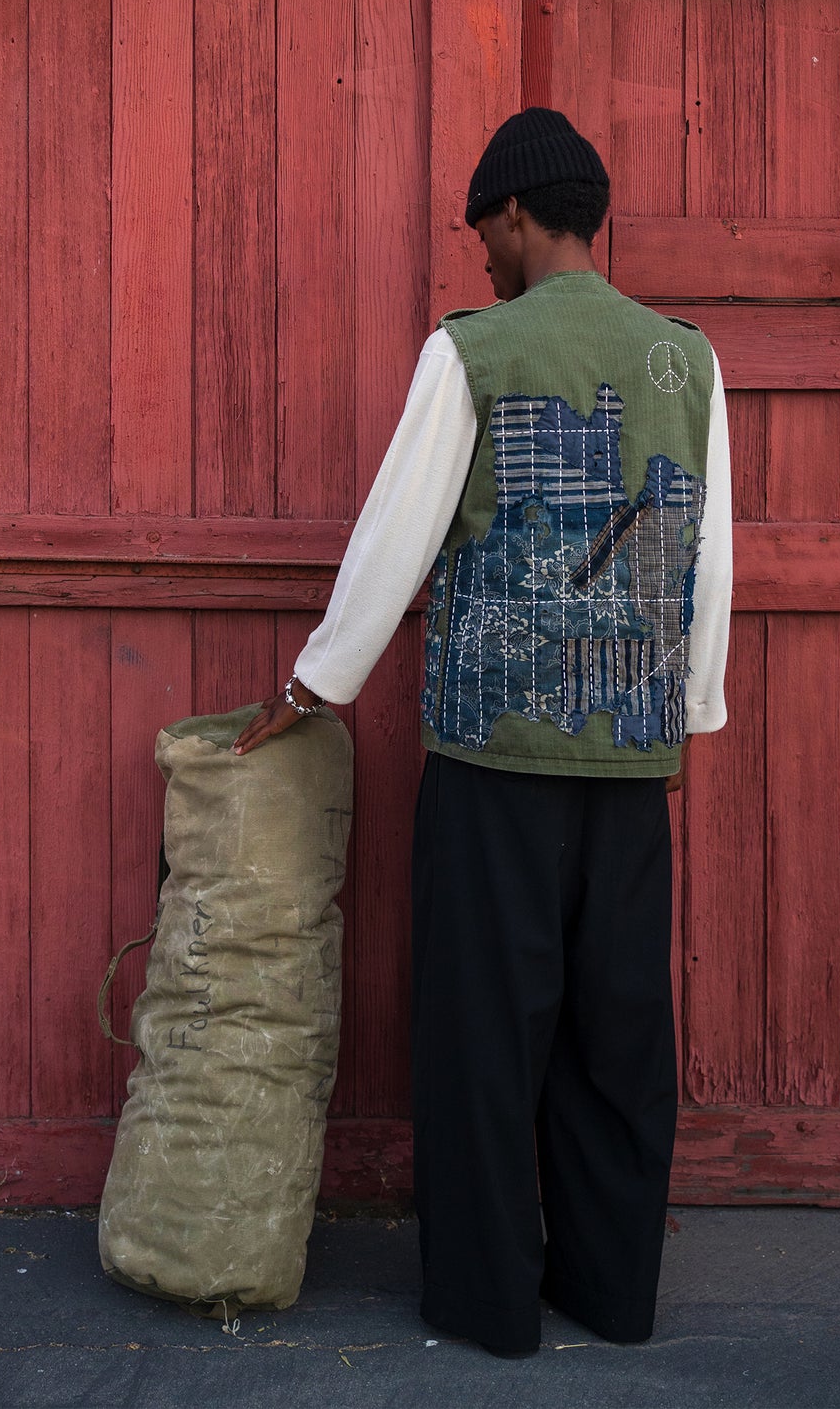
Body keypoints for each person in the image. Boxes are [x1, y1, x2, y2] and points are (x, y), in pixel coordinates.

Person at [232, 106, 732, 1358]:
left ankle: (488, 1304)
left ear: (514, 216)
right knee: (616, 1035)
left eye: (481, 237)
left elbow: (395, 534)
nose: (480, 263)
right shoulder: (686, 358)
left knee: (481, 1031)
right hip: (628, 752)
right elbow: (706, 558)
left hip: (493, 754)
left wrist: (312, 686)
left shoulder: (474, 351)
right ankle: (611, 1295)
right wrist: (691, 710)